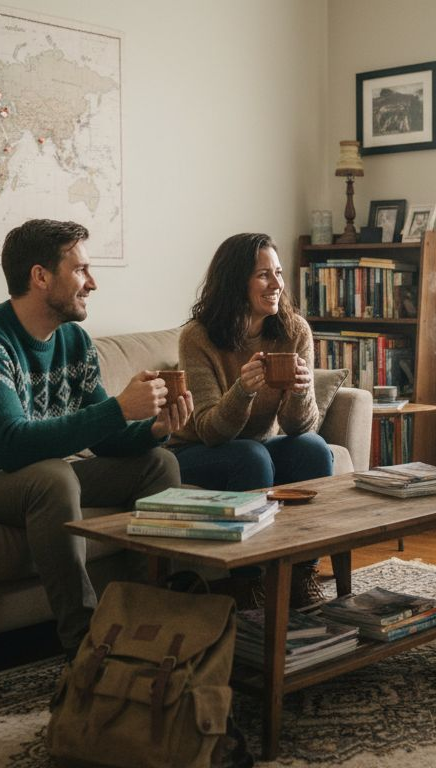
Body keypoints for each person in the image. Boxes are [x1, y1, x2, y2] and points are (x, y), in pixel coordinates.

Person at [0, 218, 193, 658]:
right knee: (54, 477)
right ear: (40, 276)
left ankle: (150, 622)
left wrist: (153, 428)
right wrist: (118, 408)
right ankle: (86, 644)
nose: (92, 283)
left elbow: (106, 440)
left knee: (159, 463)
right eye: (80, 270)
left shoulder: (73, 341)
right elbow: (12, 445)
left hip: (24, 476)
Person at [168, 232, 334, 607]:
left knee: (313, 448)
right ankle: (248, 582)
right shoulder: (198, 338)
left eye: (278, 272)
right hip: (195, 452)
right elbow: (211, 430)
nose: (277, 284)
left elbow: (298, 427)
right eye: (263, 275)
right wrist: (243, 390)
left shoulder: (294, 331)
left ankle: (302, 574)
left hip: (256, 446)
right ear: (234, 282)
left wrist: (302, 388)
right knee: (249, 456)